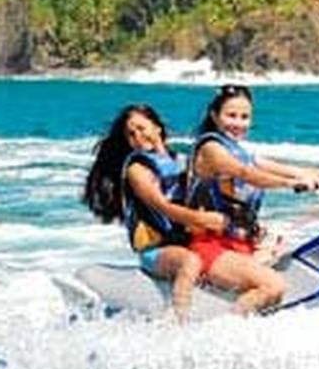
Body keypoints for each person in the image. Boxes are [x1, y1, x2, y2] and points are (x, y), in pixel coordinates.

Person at [182, 83, 319, 310]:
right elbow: (246, 173)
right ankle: (227, 332)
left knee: (295, 254)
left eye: (245, 117)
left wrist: (313, 175)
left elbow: (270, 166)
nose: (238, 123)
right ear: (215, 116)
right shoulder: (210, 149)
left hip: (242, 244)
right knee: (274, 286)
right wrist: (291, 184)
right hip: (210, 246)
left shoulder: (240, 151)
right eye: (231, 115)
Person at [83, 103, 231, 322]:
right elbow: (164, 207)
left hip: (187, 240)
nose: (138, 136)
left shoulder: (180, 161)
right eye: (131, 134)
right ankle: (177, 319)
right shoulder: (137, 169)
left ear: (158, 128)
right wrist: (201, 219)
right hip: (156, 251)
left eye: (142, 128)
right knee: (189, 261)